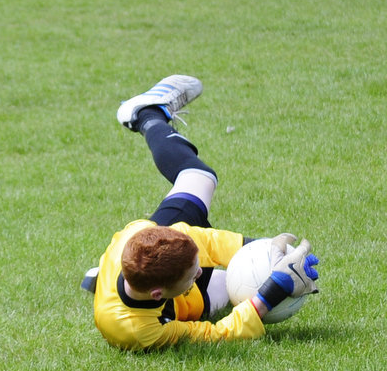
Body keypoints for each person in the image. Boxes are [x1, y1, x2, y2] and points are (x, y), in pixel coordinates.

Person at [81, 75, 319, 350]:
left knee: (200, 176)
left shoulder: (157, 236)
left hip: (156, 252)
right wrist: (270, 293)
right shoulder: (135, 331)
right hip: (174, 309)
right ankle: (146, 113)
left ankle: (147, 116)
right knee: (240, 291)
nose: (201, 270)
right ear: (158, 294)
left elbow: (212, 243)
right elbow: (215, 334)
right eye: (194, 273)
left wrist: (272, 251)